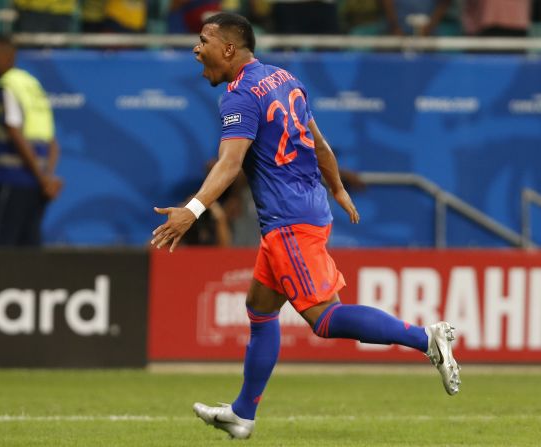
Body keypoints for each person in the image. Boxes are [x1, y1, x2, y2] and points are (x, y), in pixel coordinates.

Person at [150, 12, 461, 440]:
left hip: (288, 221)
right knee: (260, 310)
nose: (195, 48)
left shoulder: (239, 96)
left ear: (228, 48)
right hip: (305, 210)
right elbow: (318, 142)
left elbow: (230, 164)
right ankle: (243, 413)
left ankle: (426, 338)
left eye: (203, 40)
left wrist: (192, 210)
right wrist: (337, 188)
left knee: (324, 318)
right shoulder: (283, 77)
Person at [0, 35, 62, 247]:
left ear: (8, 57)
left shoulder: (7, 86)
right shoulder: (32, 85)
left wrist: (44, 180)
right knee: (27, 252)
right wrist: (47, 179)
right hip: (36, 187)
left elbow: (14, 132)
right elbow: (52, 142)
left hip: (11, 182)